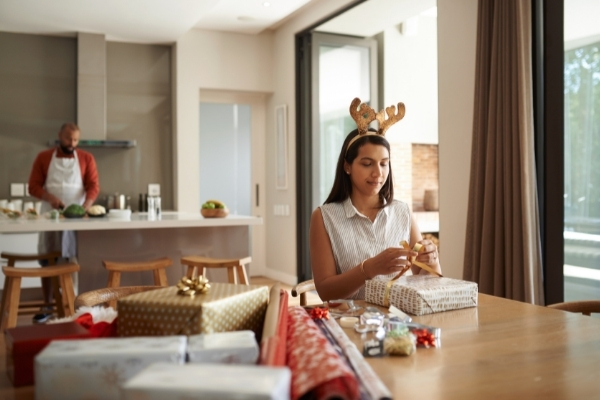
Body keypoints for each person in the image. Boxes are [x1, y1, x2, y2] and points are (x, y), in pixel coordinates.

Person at [310, 98, 442, 301]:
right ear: (347, 166)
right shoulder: (324, 217)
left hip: (399, 322)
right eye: (367, 163)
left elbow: (427, 281)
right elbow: (325, 291)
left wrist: (431, 261)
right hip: (349, 323)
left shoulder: (403, 212)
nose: (377, 173)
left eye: (384, 164)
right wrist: (368, 269)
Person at [28, 122, 100, 323]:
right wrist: (50, 198)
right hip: (50, 216)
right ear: (60, 135)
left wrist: (86, 204)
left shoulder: (86, 158)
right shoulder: (43, 157)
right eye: (69, 138)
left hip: (76, 218)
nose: (72, 142)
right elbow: (33, 186)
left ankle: (75, 305)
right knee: (48, 259)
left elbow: (93, 185)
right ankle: (47, 305)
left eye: (76, 139)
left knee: (74, 259)